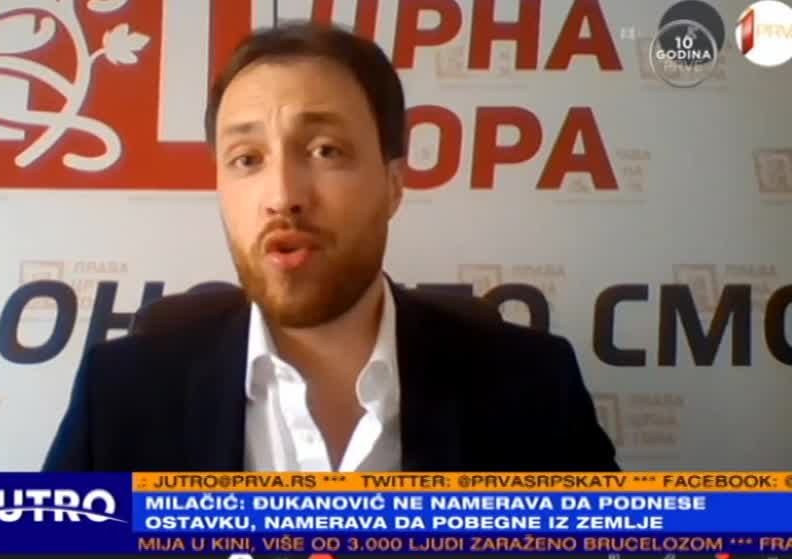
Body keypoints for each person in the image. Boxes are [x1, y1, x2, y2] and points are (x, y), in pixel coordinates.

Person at [43, 22, 619, 472]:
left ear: (393, 185)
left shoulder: (534, 390)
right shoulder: (118, 396)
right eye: (247, 159)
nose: (282, 197)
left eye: (325, 151)